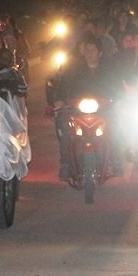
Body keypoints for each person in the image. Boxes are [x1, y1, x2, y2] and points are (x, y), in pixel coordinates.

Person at [54, 35, 122, 180]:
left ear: (100, 53)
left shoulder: (109, 69)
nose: (89, 53)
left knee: (116, 125)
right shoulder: (74, 69)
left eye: (92, 50)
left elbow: (116, 88)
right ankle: (66, 162)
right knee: (64, 125)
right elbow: (63, 85)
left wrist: (113, 100)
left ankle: (115, 160)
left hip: (103, 109)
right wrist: (60, 100)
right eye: (86, 50)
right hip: (77, 109)